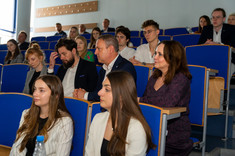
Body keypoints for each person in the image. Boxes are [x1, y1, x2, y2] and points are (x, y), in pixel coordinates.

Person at [139, 40, 193, 155]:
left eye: (160, 54)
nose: (155, 57)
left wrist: (139, 100)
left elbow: (167, 103)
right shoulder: (154, 77)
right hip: (152, 129)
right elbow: (145, 101)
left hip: (174, 136)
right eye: (155, 53)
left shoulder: (181, 78)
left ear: (172, 58)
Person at [85, 71, 156, 156]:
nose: (99, 92)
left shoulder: (136, 128)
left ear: (121, 96)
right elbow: (89, 153)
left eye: (107, 90)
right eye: (102, 88)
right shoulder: (98, 119)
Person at [10, 75, 74, 156]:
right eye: (35, 89)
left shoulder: (64, 122)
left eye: (41, 90)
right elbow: (16, 148)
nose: (35, 94)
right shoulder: (26, 114)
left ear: (56, 95)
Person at [74, 34, 136, 102]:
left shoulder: (125, 68)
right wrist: (84, 93)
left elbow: (114, 96)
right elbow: (99, 91)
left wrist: (85, 95)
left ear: (110, 49)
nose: (95, 52)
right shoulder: (103, 69)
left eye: (99, 49)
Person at [198, 8, 235, 75]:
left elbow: (233, 46)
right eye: (213, 17)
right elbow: (198, 46)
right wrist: (204, 44)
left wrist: (218, 44)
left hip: (228, 60)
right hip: (210, 58)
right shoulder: (206, 29)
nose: (214, 19)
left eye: (218, 17)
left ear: (223, 19)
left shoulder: (231, 29)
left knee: (224, 75)